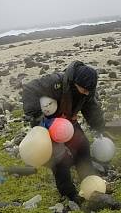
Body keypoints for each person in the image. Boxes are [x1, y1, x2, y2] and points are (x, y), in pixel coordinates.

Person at [21, 61, 105, 202]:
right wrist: (39, 117)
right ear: (74, 82)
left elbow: (91, 108)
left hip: (67, 122)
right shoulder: (55, 82)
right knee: (60, 158)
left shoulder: (87, 89)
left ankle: (89, 180)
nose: (87, 93)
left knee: (82, 145)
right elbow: (29, 89)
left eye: (89, 91)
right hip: (48, 124)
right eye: (83, 90)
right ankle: (68, 193)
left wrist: (99, 126)